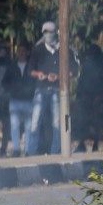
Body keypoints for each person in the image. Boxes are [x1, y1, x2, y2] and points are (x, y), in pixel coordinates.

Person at [26, 21, 79, 156]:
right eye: (46, 32)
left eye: (51, 31)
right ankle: (30, 151)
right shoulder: (37, 49)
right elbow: (30, 70)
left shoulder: (65, 49)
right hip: (41, 89)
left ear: (56, 32)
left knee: (57, 122)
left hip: (58, 90)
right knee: (35, 121)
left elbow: (74, 70)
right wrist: (40, 75)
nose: (48, 34)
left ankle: (55, 151)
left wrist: (60, 76)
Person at [3, 43, 35, 156]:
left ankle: (27, 150)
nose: (21, 53)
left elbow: (35, 82)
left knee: (29, 127)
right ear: (17, 53)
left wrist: (31, 91)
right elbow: (4, 82)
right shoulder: (11, 67)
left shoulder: (31, 66)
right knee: (15, 126)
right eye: (19, 51)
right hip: (15, 100)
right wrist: (11, 91)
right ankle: (16, 149)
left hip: (28, 100)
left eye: (23, 51)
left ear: (27, 53)